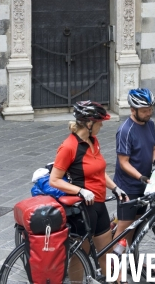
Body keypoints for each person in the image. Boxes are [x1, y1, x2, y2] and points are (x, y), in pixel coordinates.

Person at [49, 100, 127, 279]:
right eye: (99, 122)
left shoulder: (93, 140)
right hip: (83, 208)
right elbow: (54, 180)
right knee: (79, 257)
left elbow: (99, 171)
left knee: (106, 254)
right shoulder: (69, 147)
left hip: (99, 205)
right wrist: (80, 191)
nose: (101, 125)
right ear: (89, 123)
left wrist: (115, 188)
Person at [112, 88, 155, 243]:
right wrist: (140, 177)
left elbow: (154, 148)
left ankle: (132, 262)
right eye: (145, 110)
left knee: (137, 225)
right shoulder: (125, 131)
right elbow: (123, 162)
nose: (149, 113)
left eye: (150, 109)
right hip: (128, 187)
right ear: (133, 110)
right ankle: (113, 264)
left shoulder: (150, 124)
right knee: (124, 228)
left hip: (144, 186)